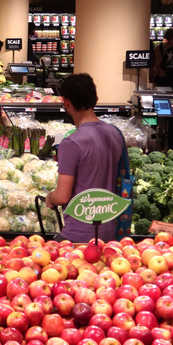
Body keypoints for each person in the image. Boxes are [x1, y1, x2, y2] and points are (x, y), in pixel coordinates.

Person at [45, 73, 124, 243]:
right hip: (110, 231)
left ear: (66, 103)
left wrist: (49, 197)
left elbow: (62, 197)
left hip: (79, 235)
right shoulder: (115, 133)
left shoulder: (72, 143)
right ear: (95, 99)